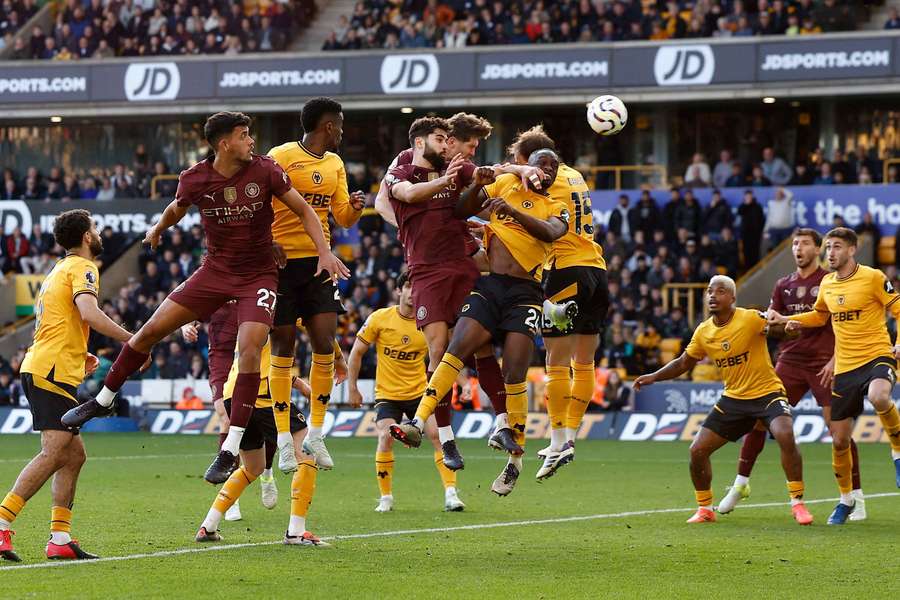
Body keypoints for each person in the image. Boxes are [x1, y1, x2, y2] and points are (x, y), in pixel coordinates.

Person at [60, 112, 349, 486]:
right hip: (213, 273)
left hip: (257, 277)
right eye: (245, 135)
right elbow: (176, 208)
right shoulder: (195, 177)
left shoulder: (266, 170)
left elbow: (305, 209)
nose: (251, 142)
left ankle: (229, 448)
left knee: (248, 350)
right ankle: (102, 400)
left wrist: (324, 251)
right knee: (148, 332)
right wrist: (158, 229)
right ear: (224, 142)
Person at [390, 149, 569, 496]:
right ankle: (416, 421)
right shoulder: (504, 183)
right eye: (539, 163)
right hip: (491, 284)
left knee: (514, 371)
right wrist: (477, 187)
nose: (544, 169)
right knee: (455, 348)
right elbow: (462, 209)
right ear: (527, 166)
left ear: (555, 175)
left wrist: (510, 211)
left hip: (526, 292)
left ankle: (515, 460)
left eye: (552, 166)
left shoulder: (557, 206)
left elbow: (549, 233)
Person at [375, 113, 531, 465]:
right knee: (438, 347)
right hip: (426, 269)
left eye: (449, 140)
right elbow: (395, 197)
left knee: (482, 345)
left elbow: (483, 175)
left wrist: (517, 170)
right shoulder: (403, 164)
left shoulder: (456, 167)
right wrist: (404, 224)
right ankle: (445, 439)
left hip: (461, 261)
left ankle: (503, 423)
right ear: (423, 142)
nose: (448, 146)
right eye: (443, 140)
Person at [0, 209, 134, 562]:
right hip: (51, 370)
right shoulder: (83, 268)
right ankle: (2, 523)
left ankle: (60, 537)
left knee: (73, 455)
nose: (99, 231)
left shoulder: (59, 269)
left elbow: (60, 322)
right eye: (95, 227)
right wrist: (132, 341)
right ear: (87, 237)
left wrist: (80, 354)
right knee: (55, 451)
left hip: (50, 366)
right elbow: (89, 313)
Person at [634, 275, 813, 526]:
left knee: (785, 435)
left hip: (767, 393)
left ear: (732, 298)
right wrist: (654, 376)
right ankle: (705, 508)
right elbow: (684, 363)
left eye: (719, 291)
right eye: (709, 291)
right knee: (697, 451)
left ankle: (797, 503)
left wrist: (790, 330)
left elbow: (778, 330)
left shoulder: (750, 318)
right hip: (734, 399)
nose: (712, 296)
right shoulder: (704, 331)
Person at [719, 228, 865, 518]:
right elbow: (773, 328)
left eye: (805, 244)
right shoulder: (782, 285)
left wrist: (837, 358)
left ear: (817, 249)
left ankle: (854, 497)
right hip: (791, 361)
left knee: (839, 433)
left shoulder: (829, 281)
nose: (798, 248)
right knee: (759, 420)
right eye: (795, 244)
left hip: (826, 360)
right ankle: (740, 484)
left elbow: (843, 325)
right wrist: (775, 325)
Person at [768, 227, 900, 524]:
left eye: (836, 247)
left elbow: (898, 309)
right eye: (828, 247)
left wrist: (899, 342)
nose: (830, 253)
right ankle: (846, 500)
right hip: (845, 368)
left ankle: (897, 450)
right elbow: (818, 316)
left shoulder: (873, 277)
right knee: (839, 440)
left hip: (876, 355)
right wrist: (788, 319)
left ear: (852, 250)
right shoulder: (827, 283)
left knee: (879, 396)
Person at [266, 97, 365, 472]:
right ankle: (283, 441)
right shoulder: (282, 155)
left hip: (319, 262)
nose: (341, 130)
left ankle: (317, 433)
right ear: (328, 125)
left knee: (324, 341)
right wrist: (267, 241)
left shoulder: (335, 164)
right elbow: (260, 200)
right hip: (281, 264)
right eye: (338, 124)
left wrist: (353, 206)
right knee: (284, 346)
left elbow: (342, 218)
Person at [505, 125, 608, 478]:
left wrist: (515, 171)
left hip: (565, 273)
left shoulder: (539, 178)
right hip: (597, 270)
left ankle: (558, 439)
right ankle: (569, 436)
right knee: (584, 360)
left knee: (556, 362)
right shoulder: (575, 175)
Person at [194, 329, 329, 546]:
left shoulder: (252, 316)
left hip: (235, 396)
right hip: (264, 396)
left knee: (252, 468)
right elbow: (270, 363)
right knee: (308, 453)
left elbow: (260, 357)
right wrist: (300, 382)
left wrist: (296, 382)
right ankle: (296, 531)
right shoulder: (268, 318)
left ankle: (208, 525)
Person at [346, 271, 465, 513]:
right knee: (386, 437)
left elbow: (446, 356)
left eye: (417, 288)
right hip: (387, 396)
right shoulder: (380, 318)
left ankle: (451, 493)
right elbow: (356, 352)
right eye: (409, 287)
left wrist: (462, 381)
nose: (413, 293)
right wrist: (353, 388)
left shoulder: (429, 324)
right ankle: (386, 497)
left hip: (420, 394)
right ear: (399, 291)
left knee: (437, 435)